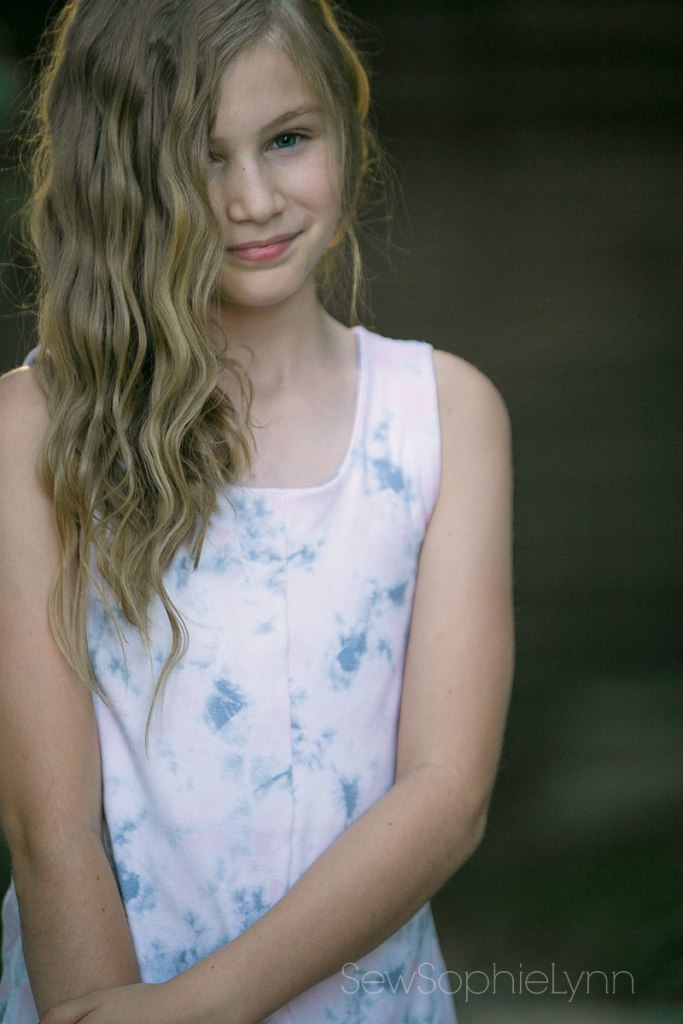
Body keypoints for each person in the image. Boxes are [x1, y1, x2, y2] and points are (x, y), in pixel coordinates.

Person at [0, 0, 514, 1021]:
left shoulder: (441, 415)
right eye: (200, 158)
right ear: (122, 178)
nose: (251, 199)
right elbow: (51, 828)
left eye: (286, 139)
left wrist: (197, 1009)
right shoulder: (35, 428)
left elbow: (445, 795)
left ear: (343, 132)